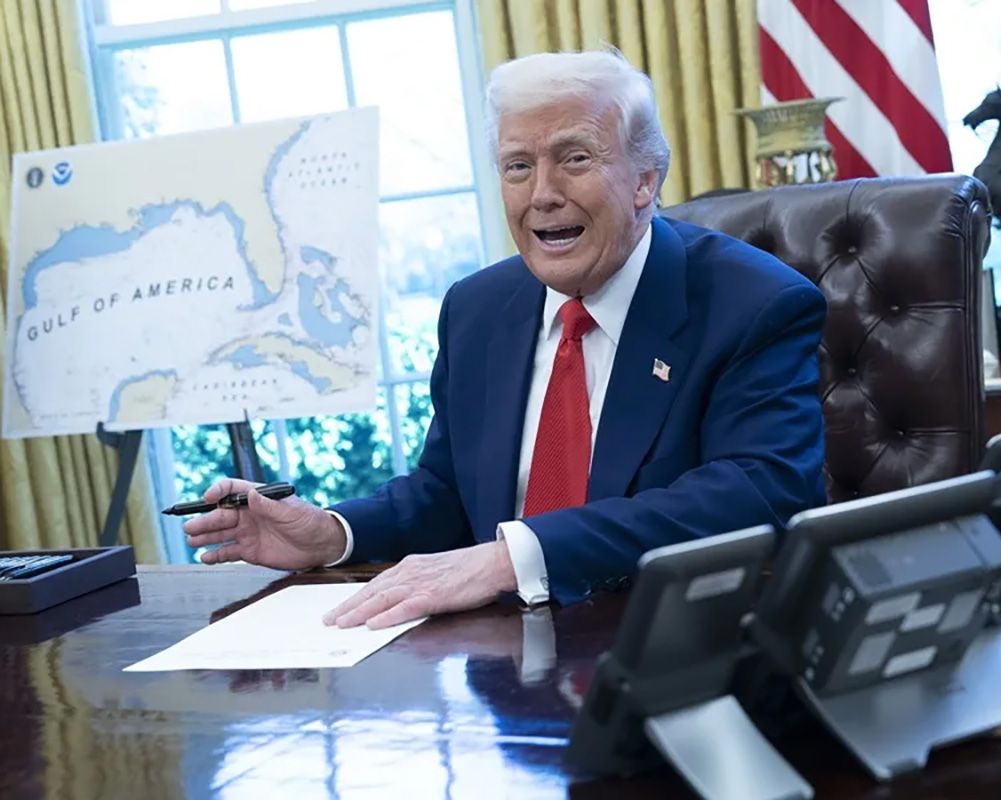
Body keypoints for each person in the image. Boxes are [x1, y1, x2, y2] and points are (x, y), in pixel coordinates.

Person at [182, 50, 827, 630]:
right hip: (500, 662)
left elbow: (757, 495)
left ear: (644, 180)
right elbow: (448, 491)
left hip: (669, 647)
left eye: (575, 158)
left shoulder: (755, 305)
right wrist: (332, 534)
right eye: (517, 166)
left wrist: (512, 558)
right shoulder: (477, 310)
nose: (542, 194)